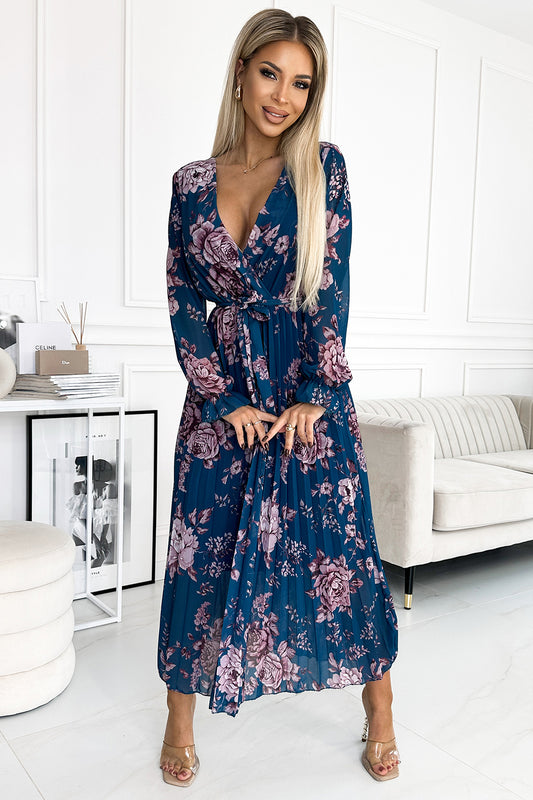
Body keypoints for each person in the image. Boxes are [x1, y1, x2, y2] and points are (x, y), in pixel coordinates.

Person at [158, 8, 400, 787]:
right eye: (270, 74)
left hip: (305, 394)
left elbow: (332, 281)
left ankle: (380, 710)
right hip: (220, 401)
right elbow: (181, 298)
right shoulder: (191, 183)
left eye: (301, 83)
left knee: (342, 554)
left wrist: (316, 391)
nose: (282, 97)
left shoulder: (322, 167)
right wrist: (218, 396)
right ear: (240, 73)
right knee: (196, 557)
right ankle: (178, 718)